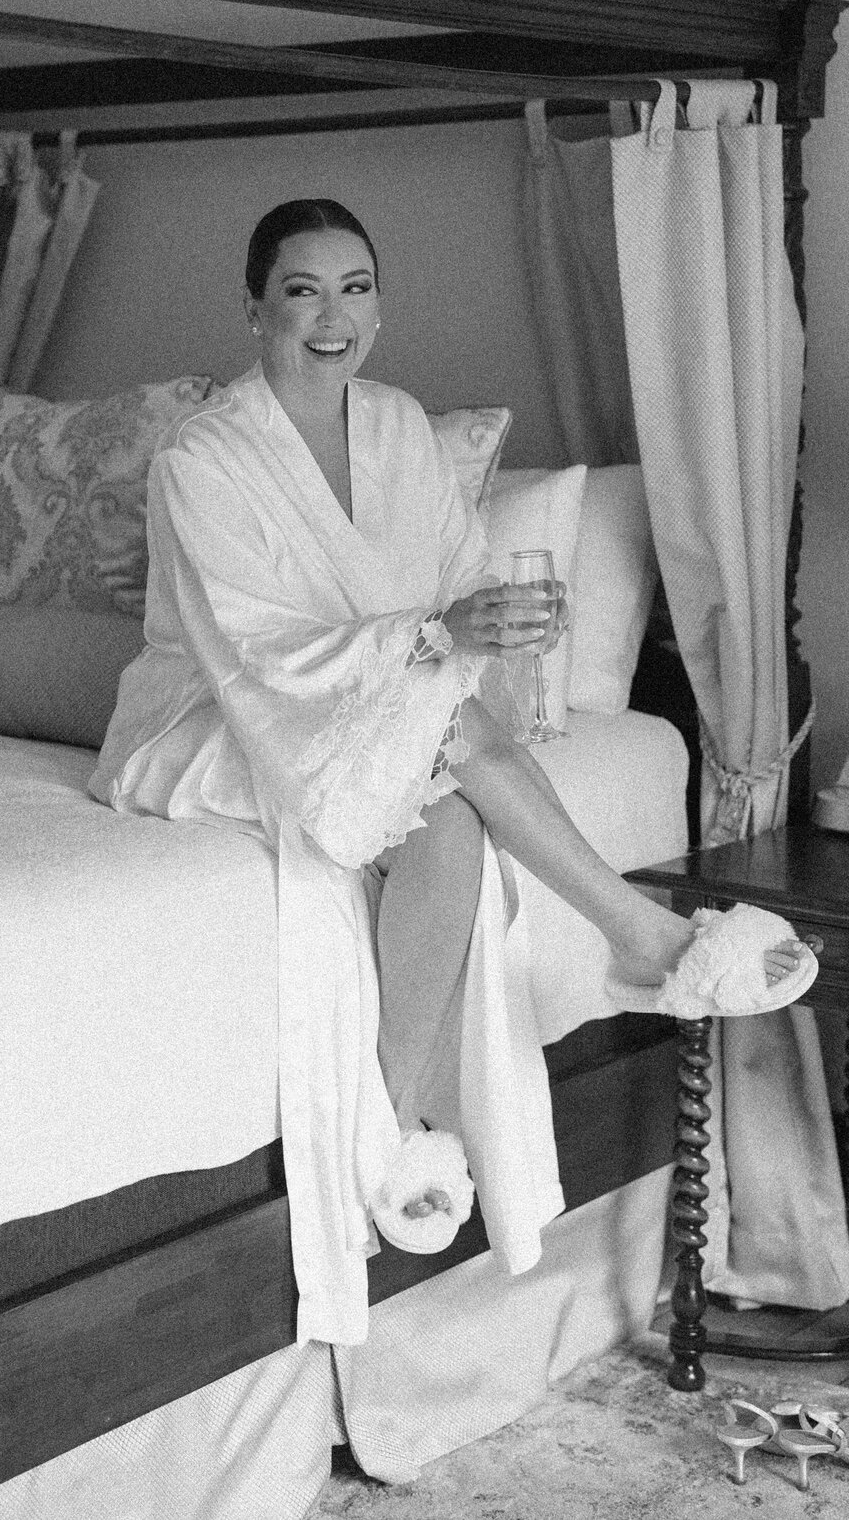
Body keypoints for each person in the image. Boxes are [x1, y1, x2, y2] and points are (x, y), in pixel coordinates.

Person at [90, 197, 815, 1345]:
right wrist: (436, 641)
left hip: (388, 700)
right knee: (456, 739)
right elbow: (255, 645)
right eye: (302, 290)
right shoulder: (202, 455)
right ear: (253, 307)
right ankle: (644, 934)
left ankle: (388, 1134)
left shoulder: (398, 426)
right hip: (223, 717)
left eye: (357, 287)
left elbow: (459, 577)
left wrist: (502, 620)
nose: (334, 316)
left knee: (457, 824)